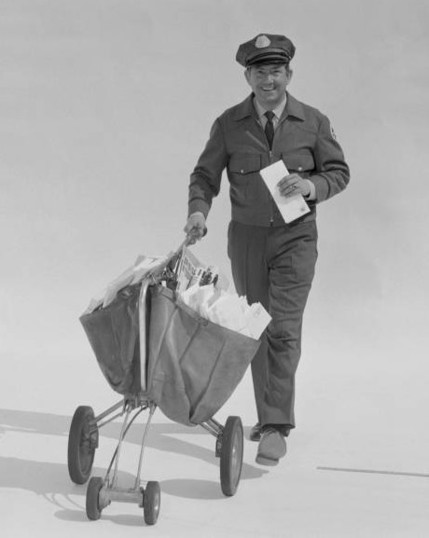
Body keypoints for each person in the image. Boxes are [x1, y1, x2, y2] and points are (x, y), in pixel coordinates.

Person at [184, 33, 350, 466]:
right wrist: (199, 212)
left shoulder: (312, 121)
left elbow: (339, 172)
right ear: (248, 76)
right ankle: (267, 416)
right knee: (257, 328)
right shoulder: (229, 124)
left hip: (296, 237)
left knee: (284, 328)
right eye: (260, 72)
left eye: (276, 71)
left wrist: (313, 185)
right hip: (247, 238)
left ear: (289, 75)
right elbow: (204, 176)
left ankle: (276, 425)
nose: (268, 80)